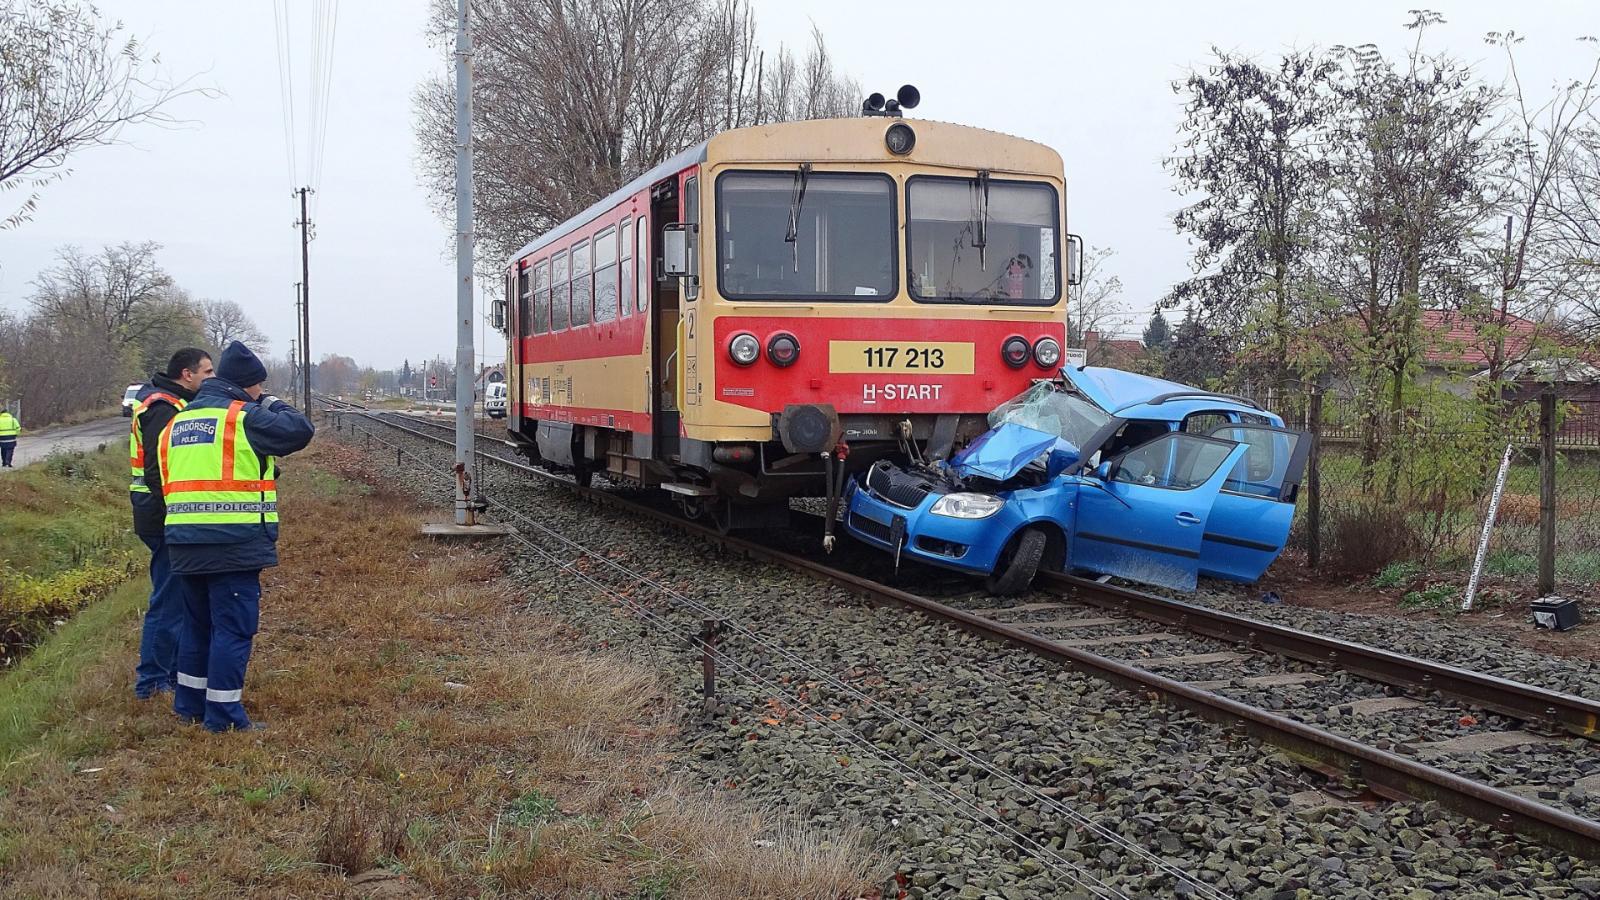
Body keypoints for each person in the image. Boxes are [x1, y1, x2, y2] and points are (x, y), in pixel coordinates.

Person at [159, 342, 314, 732]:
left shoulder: (178, 421)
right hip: (231, 542)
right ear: (249, 385)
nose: (260, 393)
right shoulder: (242, 416)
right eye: (259, 387)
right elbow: (300, 430)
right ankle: (224, 717)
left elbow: (166, 477)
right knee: (233, 629)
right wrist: (274, 403)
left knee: (197, 626)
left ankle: (190, 705)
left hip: (183, 542)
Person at [129, 348, 214, 699]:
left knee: (178, 595)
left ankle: (174, 673)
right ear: (187, 374)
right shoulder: (163, 408)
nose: (211, 377)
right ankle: (152, 682)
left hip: (161, 512)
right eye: (207, 372)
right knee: (169, 598)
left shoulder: (173, 403)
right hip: (161, 514)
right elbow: (156, 469)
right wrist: (180, 512)